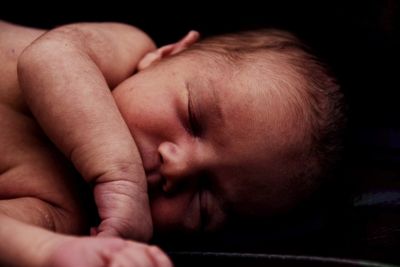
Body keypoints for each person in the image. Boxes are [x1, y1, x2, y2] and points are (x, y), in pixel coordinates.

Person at [0, 19, 345, 267]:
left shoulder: (62, 214)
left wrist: (49, 252)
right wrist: (120, 177)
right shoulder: (128, 50)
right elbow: (48, 57)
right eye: (193, 119)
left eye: (205, 203)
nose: (178, 167)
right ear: (167, 54)